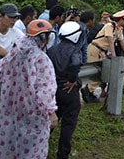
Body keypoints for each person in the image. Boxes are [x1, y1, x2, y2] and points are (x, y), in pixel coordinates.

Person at [0, 19, 58, 158]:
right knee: (32, 149)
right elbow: (45, 89)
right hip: (32, 113)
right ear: (44, 37)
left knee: (10, 147)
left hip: (11, 111)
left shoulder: (15, 54)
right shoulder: (42, 59)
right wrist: (51, 112)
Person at [47, 21, 83, 159]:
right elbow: (75, 63)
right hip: (69, 91)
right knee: (68, 124)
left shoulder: (52, 50)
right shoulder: (75, 50)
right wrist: (72, 80)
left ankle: (40, 147)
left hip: (53, 89)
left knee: (50, 122)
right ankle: (63, 155)